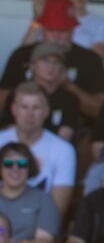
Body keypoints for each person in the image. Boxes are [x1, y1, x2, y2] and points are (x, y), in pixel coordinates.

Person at [0, 0, 104, 120]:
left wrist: (68, 86)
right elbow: (1, 103)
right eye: (51, 29)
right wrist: (34, 84)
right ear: (42, 28)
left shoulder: (90, 59)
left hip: (75, 131)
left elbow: (100, 110)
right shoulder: (22, 55)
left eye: (63, 31)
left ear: (73, 29)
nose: (57, 36)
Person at [0, 82, 77, 218]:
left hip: (38, 230)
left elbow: (56, 213)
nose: (29, 114)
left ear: (46, 111)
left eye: (36, 108)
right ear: (14, 110)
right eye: (24, 107)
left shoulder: (64, 150)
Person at [0, 143, 60, 243]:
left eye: (22, 163)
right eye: (8, 163)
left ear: (29, 167)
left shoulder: (42, 198)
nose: (15, 168)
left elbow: (46, 242)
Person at [0, 42, 82, 142]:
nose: (51, 67)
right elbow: (9, 129)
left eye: (56, 62)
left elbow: (66, 133)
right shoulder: (17, 94)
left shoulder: (69, 99)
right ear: (33, 65)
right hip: (19, 150)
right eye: (45, 61)